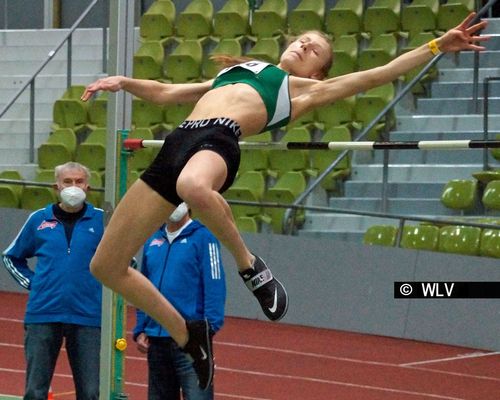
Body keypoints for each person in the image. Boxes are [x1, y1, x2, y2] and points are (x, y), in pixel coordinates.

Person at [80, 13, 489, 389]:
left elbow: (377, 75)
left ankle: (251, 266)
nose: (304, 47)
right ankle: (190, 336)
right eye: (303, 40)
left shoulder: (304, 91)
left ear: (318, 71)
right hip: (177, 143)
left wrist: (435, 46)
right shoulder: (239, 70)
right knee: (106, 266)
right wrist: (125, 83)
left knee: (193, 187)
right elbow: (170, 92)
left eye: (315, 51)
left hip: (218, 140)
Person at [1, 162, 104, 400]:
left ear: (88, 186)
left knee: (90, 392)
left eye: (79, 181)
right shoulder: (38, 219)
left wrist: (104, 290)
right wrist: (34, 283)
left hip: (89, 315)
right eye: (67, 182)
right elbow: (11, 257)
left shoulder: (102, 220)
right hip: (43, 314)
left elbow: (126, 261)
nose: (73, 187)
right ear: (56, 186)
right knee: (35, 391)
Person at [133, 202, 225, 397]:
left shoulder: (204, 238)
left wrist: (208, 329)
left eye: (180, 199)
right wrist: (141, 327)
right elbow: (142, 286)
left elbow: (215, 284)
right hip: (157, 340)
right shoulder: (152, 239)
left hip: (191, 338)